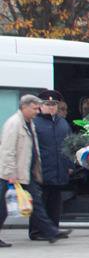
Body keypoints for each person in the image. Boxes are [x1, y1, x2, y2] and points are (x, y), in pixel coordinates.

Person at [0, 94, 69, 244]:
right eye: (34, 108)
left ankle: (51, 232)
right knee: (2, 207)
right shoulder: (14, 124)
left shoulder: (28, 122)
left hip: (24, 172)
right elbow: (7, 151)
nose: (37, 112)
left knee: (36, 203)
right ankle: (51, 232)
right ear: (24, 107)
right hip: (10, 174)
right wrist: (10, 174)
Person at [34, 90, 74, 237]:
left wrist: (70, 165)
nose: (51, 107)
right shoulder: (35, 123)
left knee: (55, 203)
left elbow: (69, 144)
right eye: (48, 104)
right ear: (41, 106)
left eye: (54, 104)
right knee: (41, 203)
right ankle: (37, 231)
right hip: (42, 170)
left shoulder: (62, 123)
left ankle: (54, 229)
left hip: (59, 170)